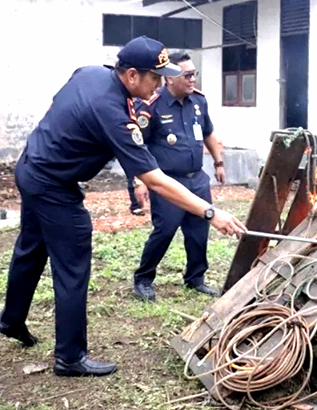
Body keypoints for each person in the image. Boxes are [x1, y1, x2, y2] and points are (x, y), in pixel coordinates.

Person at [0, 36, 247, 377]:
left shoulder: (90, 73)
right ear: (132, 75)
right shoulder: (114, 115)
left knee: (30, 248)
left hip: (32, 166)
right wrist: (211, 212)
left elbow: (54, 104)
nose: (160, 85)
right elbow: (156, 179)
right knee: (72, 266)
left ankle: (11, 320)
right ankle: (69, 357)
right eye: (155, 78)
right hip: (53, 185)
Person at [132, 52, 225, 301]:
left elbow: (208, 132)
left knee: (198, 231)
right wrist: (139, 181)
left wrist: (218, 162)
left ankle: (195, 278)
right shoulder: (151, 105)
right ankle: (143, 279)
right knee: (165, 230)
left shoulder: (198, 101)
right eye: (188, 75)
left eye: (195, 74)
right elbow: (138, 146)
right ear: (170, 78)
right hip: (168, 182)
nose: (193, 79)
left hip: (197, 179)